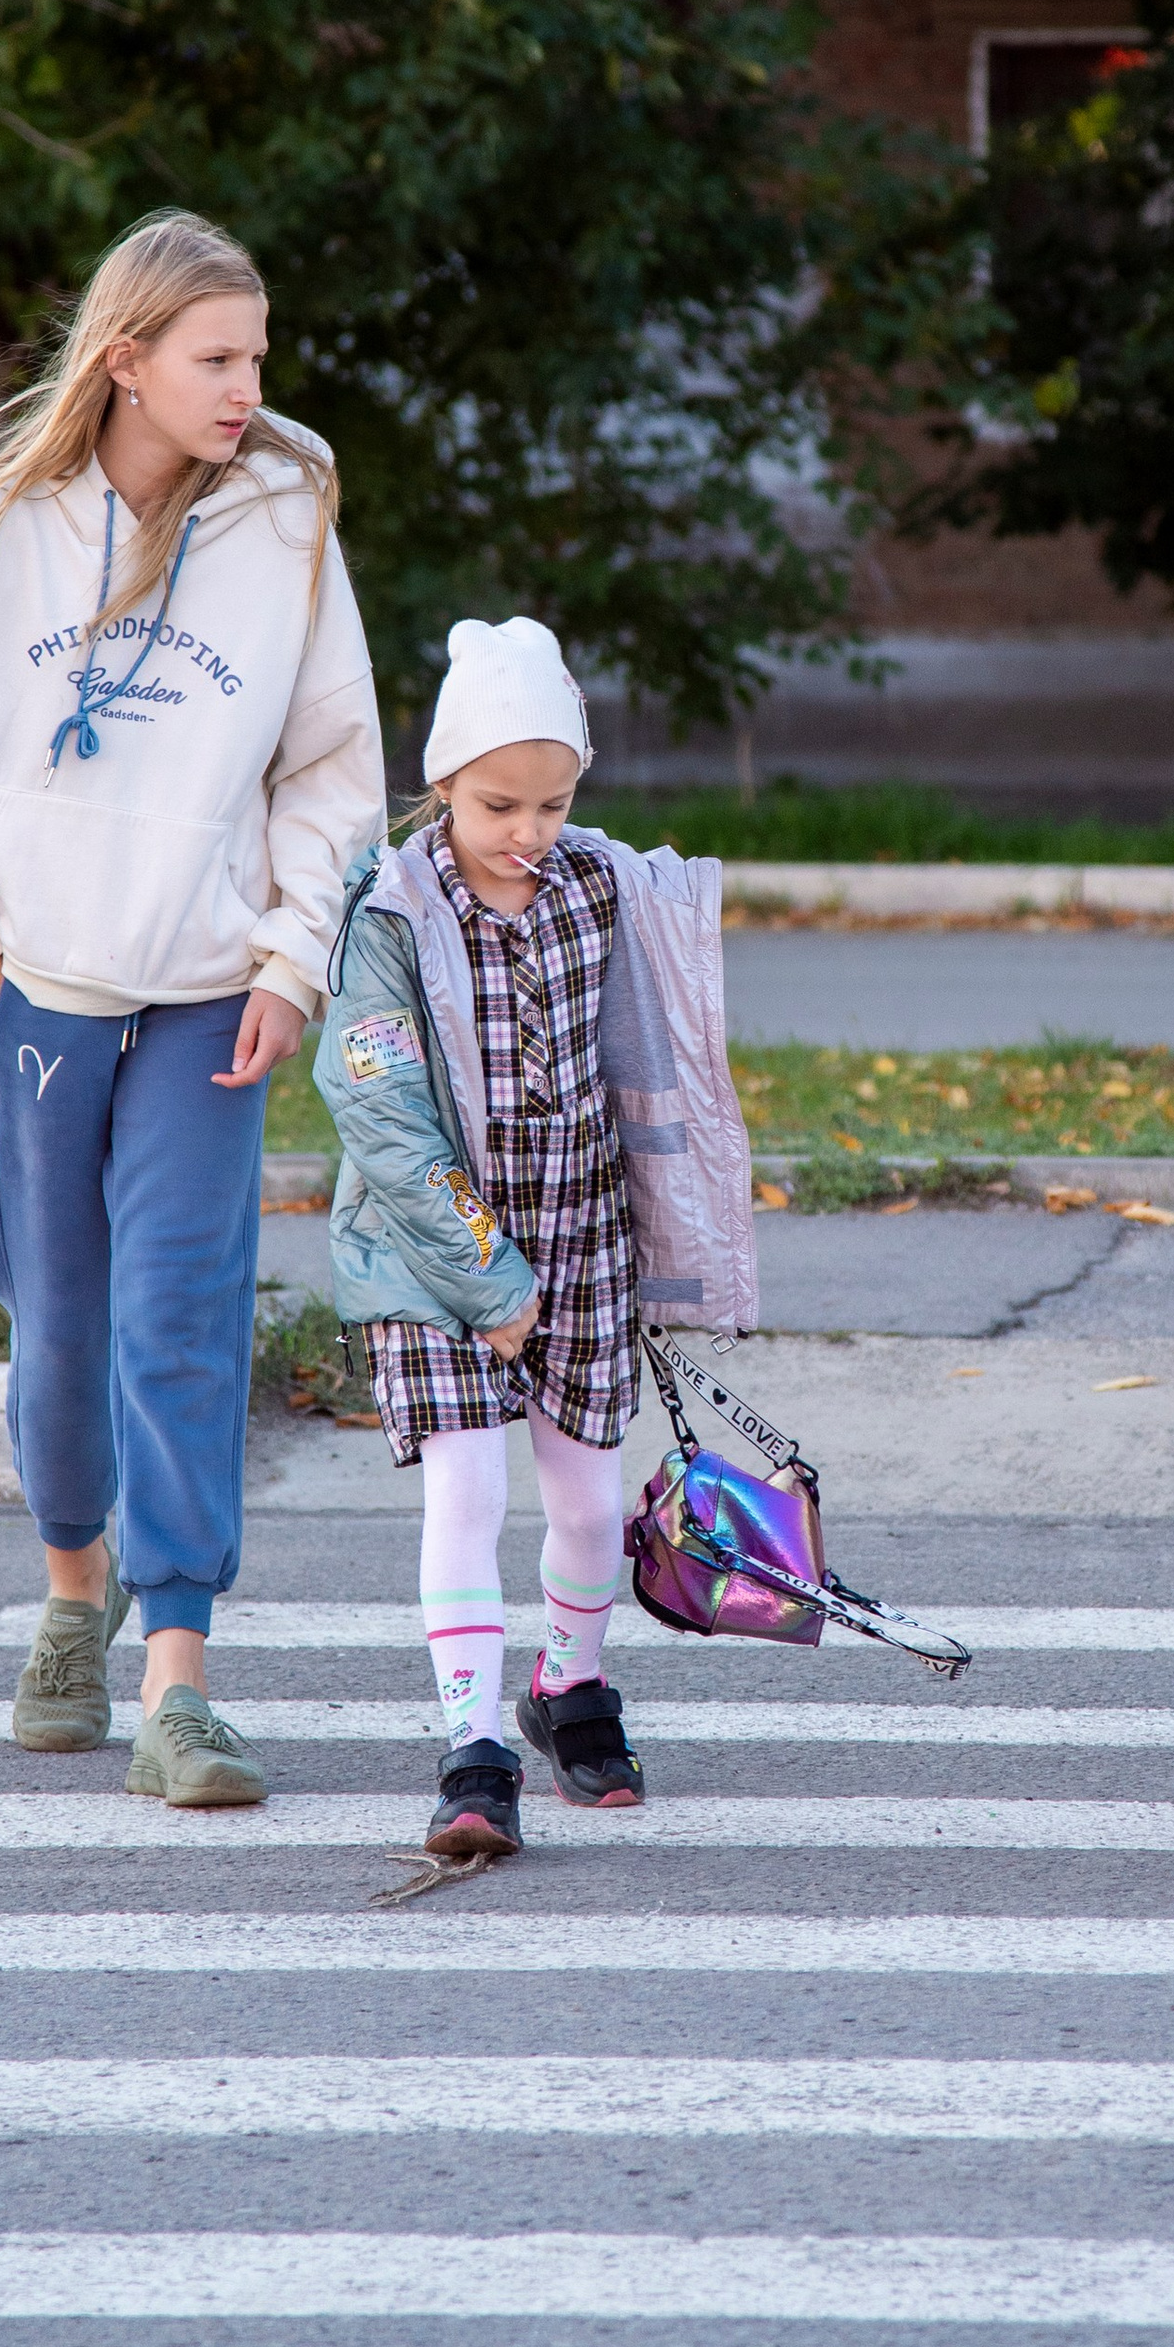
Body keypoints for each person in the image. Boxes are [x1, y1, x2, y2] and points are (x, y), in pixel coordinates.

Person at [0, 210, 383, 1808]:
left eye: (258, 356)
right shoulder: (3, 531)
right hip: (42, 1000)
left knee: (185, 1325)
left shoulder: (282, 514)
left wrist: (290, 960)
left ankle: (180, 1682)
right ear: (124, 361)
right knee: (59, 1318)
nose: (245, 388)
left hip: (215, 1001)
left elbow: (332, 763)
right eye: (217, 358)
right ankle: (75, 1596)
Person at [318, 614, 756, 1862]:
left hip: (579, 1231)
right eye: (497, 803)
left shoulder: (601, 884)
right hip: (431, 1246)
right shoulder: (391, 913)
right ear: (442, 782)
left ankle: (567, 1687)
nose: (525, 832)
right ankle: (472, 1748)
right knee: (469, 1486)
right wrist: (485, 1276)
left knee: (587, 1496)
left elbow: (668, 1042)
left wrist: (680, 1234)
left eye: (552, 802)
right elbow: (381, 1110)